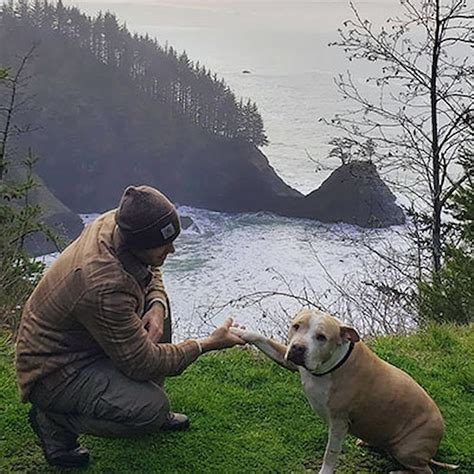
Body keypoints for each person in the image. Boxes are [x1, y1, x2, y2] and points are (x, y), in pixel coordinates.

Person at [15, 185, 245, 468]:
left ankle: (141, 396)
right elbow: (142, 363)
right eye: (163, 244)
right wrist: (206, 344)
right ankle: (53, 421)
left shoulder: (121, 222)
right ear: (138, 242)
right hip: (55, 370)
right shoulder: (103, 285)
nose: (171, 250)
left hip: (86, 341)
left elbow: (151, 268)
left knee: (158, 310)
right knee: (149, 411)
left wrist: (157, 304)